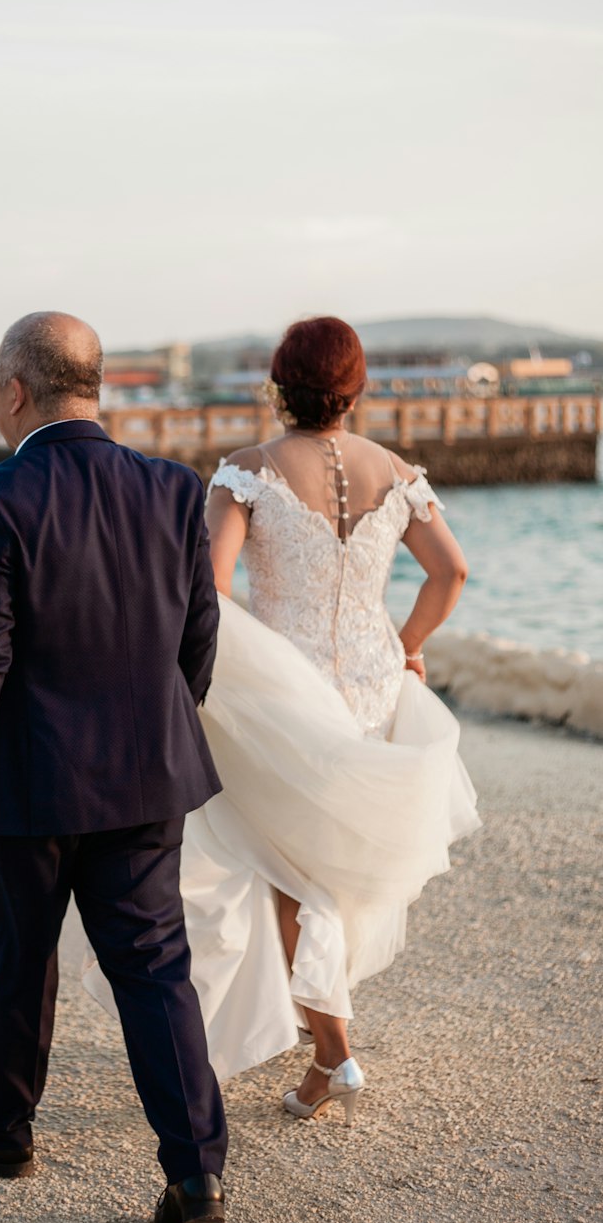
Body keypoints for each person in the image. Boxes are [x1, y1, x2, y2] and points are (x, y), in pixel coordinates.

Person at [84, 316, 480, 1123]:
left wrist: (234, 671)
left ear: (277, 386)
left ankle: (332, 1056)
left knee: (286, 869)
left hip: (283, 692)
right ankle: (315, 1024)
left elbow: (212, 586)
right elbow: (452, 572)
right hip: (372, 690)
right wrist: (406, 648)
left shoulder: (247, 471)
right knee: (322, 861)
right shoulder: (398, 472)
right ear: (356, 387)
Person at [0, 311, 229, 1223]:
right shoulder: (176, 488)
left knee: (20, 961)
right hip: (145, 778)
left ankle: (2, 1130)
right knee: (155, 970)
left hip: (29, 784)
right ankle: (198, 1180)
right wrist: (155, 728)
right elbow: (197, 638)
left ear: (16, 390)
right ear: (94, 385)